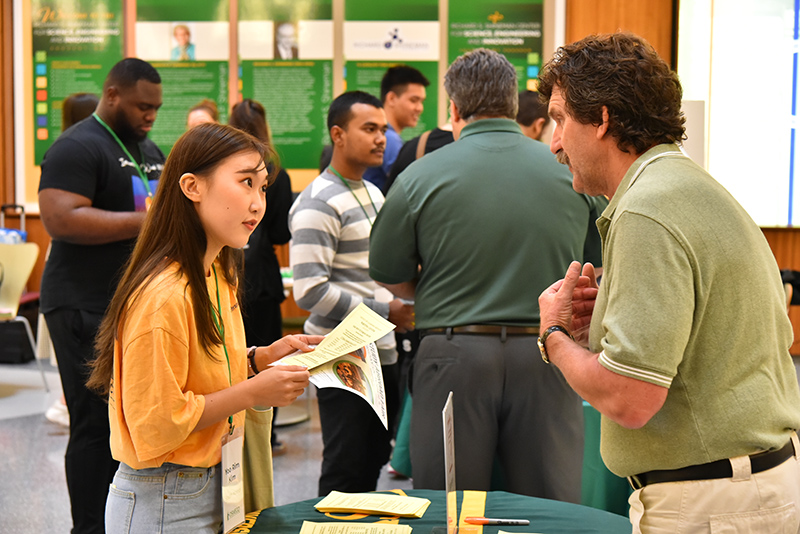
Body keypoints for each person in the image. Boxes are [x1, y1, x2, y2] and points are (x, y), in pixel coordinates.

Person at [536, 32, 800, 533]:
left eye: (559, 120)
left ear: (603, 119)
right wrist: (601, 336)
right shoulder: (684, 186)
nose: (553, 143)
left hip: (710, 505)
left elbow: (629, 399)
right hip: (744, 489)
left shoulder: (646, 209)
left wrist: (554, 336)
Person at [368, 48, 605, 502]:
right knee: (549, 507)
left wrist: (437, 288)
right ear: (515, 106)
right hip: (548, 356)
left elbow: (389, 273)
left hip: (451, 356)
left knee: (450, 505)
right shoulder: (569, 174)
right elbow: (595, 267)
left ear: (453, 110)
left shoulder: (419, 177)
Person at [86, 122, 319, 532]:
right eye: (245, 182)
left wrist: (257, 360)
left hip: (211, 482)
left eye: (262, 188)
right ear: (192, 187)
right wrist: (253, 391)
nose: (257, 203)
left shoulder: (216, 272)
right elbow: (156, 424)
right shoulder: (163, 294)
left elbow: (195, 376)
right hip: (166, 497)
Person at [38, 58, 165, 534]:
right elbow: (62, 219)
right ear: (112, 95)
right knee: (93, 425)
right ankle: (87, 529)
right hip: (80, 303)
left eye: (155, 108)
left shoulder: (146, 147)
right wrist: (148, 221)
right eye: (141, 106)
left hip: (127, 304)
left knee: (122, 424)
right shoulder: (77, 146)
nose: (150, 116)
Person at [289, 91, 415, 495]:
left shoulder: (371, 192)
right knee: (346, 467)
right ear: (338, 135)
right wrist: (386, 309)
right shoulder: (317, 202)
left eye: (383, 129)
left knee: (372, 458)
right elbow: (309, 291)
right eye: (369, 129)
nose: (381, 138)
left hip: (381, 346)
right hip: (343, 353)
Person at [229, 98, 293, 456]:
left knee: (232, 353)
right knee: (269, 355)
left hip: (232, 271)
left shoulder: (226, 165)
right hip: (264, 277)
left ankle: (234, 427)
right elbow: (282, 232)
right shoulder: (273, 169)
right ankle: (267, 433)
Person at [44, 91, 102, 430]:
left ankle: (67, 401)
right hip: (75, 286)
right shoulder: (72, 153)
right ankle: (65, 402)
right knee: (85, 397)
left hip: (77, 278)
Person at [362, 65, 429, 193]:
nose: (419, 108)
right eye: (414, 100)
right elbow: (409, 186)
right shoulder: (389, 138)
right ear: (391, 98)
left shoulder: (389, 136)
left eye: (422, 102)